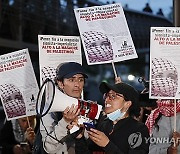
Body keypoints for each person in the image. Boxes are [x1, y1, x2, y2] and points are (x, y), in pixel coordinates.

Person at [75, 82, 150, 154]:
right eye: (107, 95)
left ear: (127, 104)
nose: (107, 100)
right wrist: (80, 138)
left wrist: (107, 145)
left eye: (113, 96)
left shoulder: (139, 129)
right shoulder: (103, 124)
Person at [40, 62, 88, 154]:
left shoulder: (88, 107)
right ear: (60, 83)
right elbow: (49, 148)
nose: (77, 84)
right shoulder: (49, 111)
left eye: (81, 80)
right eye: (71, 80)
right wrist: (65, 122)